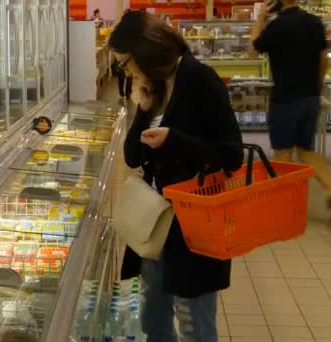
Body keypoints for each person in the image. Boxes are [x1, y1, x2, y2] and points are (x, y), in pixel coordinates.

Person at [109, 11, 243, 342]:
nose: (125, 72)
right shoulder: (152, 86)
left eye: (126, 63)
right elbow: (132, 156)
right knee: (153, 320)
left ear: (146, 50)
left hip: (195, 228)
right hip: (156, 224)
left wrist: (174, 140)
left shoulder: (200, 81)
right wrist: (142, 111)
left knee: (194, 324)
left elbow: (232, 155)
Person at [251, 0, 331, 203]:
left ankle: (285, 205)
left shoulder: (277, 26)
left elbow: (252, 50)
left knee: (283, 155)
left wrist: (260, 17)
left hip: (285, 100)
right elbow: (324, 59)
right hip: (310, 98)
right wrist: (316, 88)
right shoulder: (314, 22)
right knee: (306, 152)